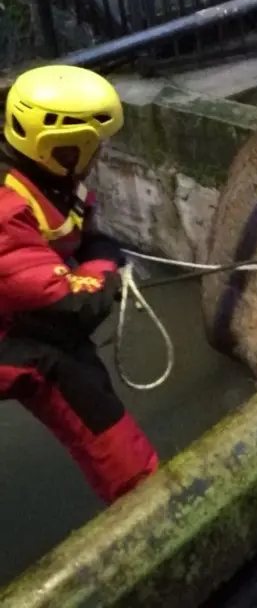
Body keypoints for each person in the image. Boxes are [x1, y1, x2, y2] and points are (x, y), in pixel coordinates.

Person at [0, 64, 158, 504]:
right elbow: (73, 304)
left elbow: (82, 237)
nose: (101, 154)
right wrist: (105, 263)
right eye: (94, 146)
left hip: (15, 313)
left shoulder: (45, 182)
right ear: (62, 150)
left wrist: (97, 255)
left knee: (70, 356)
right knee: (64, 370)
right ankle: (142, 500)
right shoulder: (7, 211)